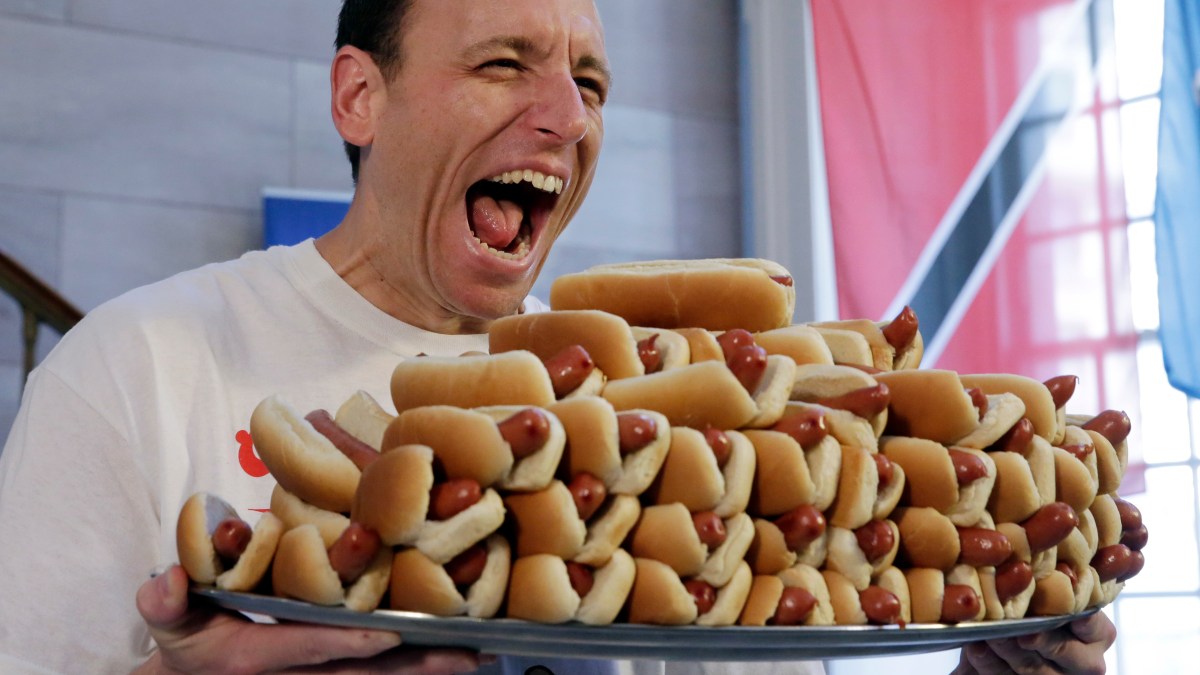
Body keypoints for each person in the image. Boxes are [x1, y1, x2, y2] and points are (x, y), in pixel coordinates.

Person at [0, 1, 1116, 674]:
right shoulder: (140, 363)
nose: (571, 118)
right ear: (358, 98)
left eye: (588, 82)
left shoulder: (664, 406)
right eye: (503, 62)